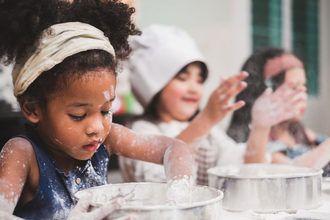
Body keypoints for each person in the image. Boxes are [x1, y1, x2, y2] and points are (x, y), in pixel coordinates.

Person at [0, 1, 195, 219]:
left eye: (105, 111)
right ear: (32, 108)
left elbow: (175, 148)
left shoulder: (109, 138)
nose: (96, 128)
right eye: (78, 116)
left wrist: (179, 191)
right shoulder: (22, 154)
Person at [119, 25, 306, 185]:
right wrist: (206, 118)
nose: (194, 88)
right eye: (183, 78)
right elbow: (162, 184)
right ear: (154, 85)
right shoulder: (140, 131)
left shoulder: (211, 134)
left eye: (199, 80)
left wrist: (260, 126)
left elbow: (246, 171)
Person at [227, 47, 330, 175]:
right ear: (265, 93)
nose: (303, 96)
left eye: (304, 87)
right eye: (294, 88)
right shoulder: (255, 140)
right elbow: (295, 173)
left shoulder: (296, 131)